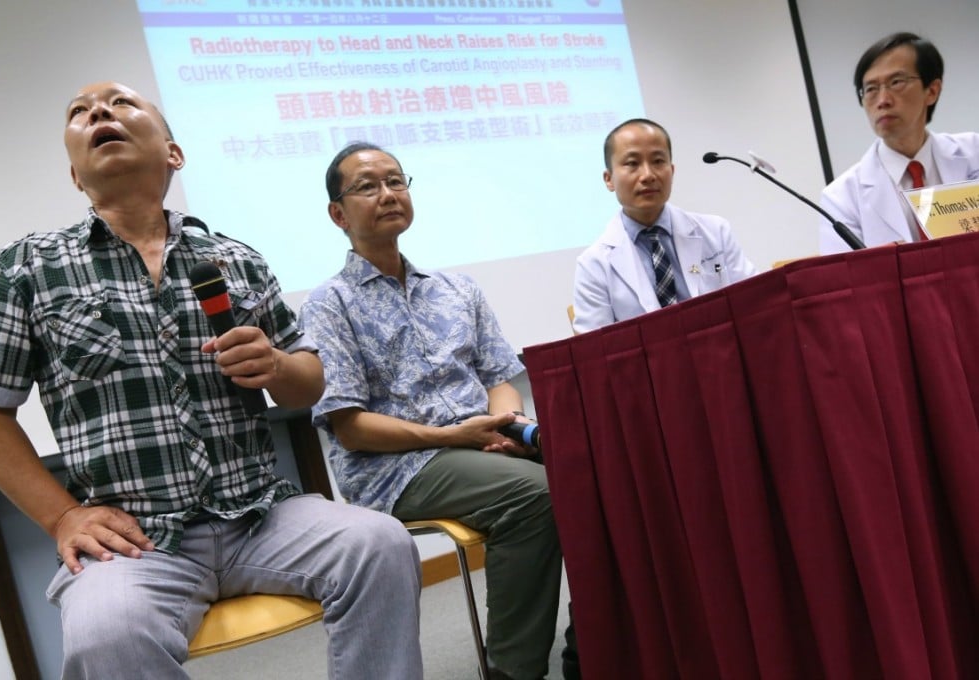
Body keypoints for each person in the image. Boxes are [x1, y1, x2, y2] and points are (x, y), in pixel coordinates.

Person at [0, 82, 423, 680]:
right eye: (80, 112)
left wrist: (278, 368)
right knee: (104, 634)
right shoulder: (25, 267)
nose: (99, 111)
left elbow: (307, 383)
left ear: (173, 155)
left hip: (262, 514)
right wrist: (62, 518)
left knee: (380, 545)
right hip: (134, 538)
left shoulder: (235, 258)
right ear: (76, 176)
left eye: (122, 104)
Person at [300, 142, 578, 680]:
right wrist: (454, 437)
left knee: (594, 470)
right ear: (338, 213)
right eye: (367, 186)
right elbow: (352, 428)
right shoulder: (328, 303)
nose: (387, 194)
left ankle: (590, 646)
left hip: (481, 444)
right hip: (397, 469)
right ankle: (513, 671)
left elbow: (499, 378)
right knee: (535, 496)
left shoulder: (456, 288)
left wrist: (501, 425)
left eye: (397, 181)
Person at [572, 118, 757, 333]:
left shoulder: (716, 231)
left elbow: (754, 303)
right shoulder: (593, 265)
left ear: (672, 169)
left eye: (658, 161)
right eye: (632, 163)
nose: (648, 175)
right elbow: (596, 350)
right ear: (609, 179)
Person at [819, 31, 979, 253]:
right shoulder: (841, 198)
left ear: (932, 91)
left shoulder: (974, 154)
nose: (883, 100)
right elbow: (847, 283)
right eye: (871, 89)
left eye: (896, 82)